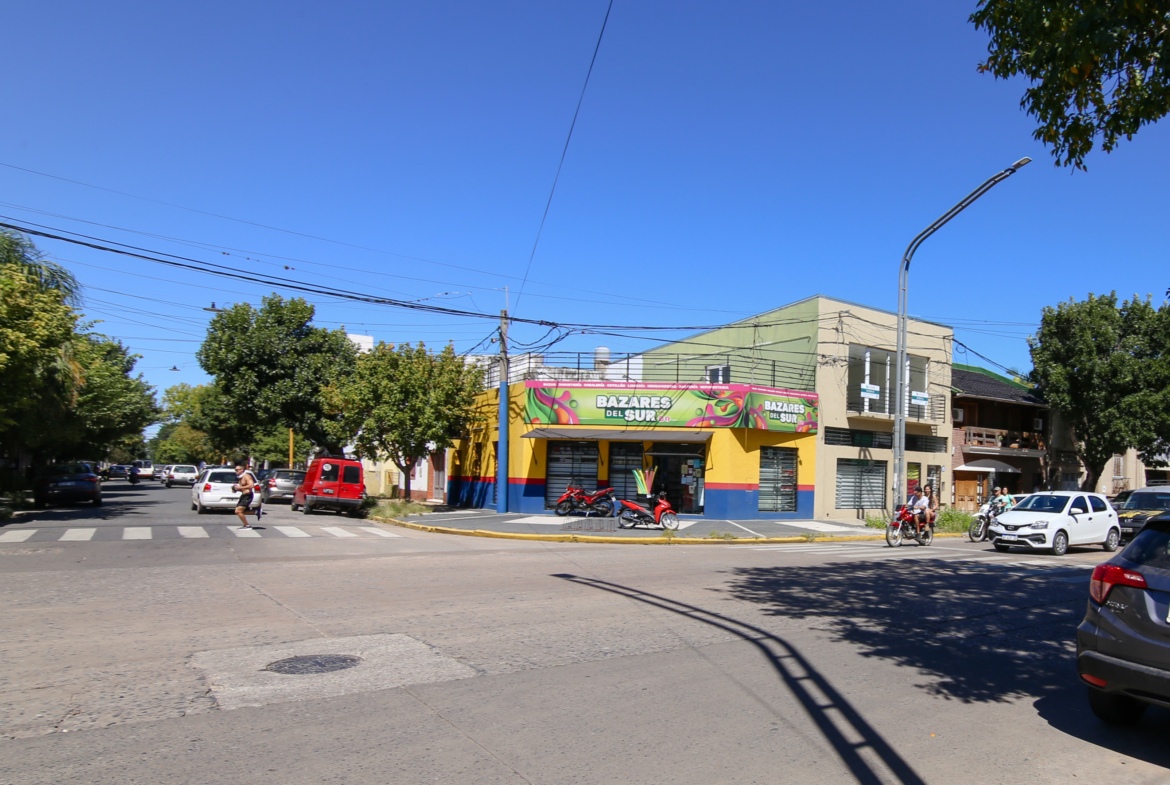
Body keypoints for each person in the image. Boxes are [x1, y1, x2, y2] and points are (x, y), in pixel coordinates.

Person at [231, 462, 256, 530]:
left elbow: (251, 485)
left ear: (242, 470)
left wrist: (240, 487)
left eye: (237, 470)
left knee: (238, 511)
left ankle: (247, 526)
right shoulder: (240, 477)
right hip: (244, 495)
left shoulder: (246, 476)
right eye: (235, 470)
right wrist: (236, 489)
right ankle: (255, 512)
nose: (236, 471)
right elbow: (243, 488)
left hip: (248, 495)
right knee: (238, 511)